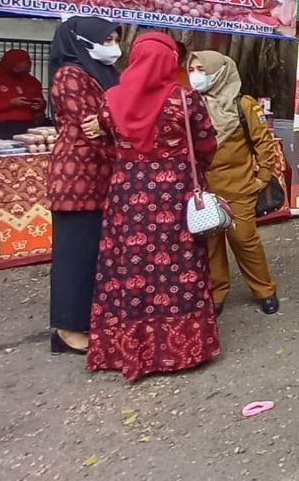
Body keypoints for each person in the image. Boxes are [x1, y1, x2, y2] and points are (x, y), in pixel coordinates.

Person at [86, 33, 220, 381]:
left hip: (126, 196)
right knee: (179, 266)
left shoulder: (111, 99)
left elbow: (105, 145)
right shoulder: (183, 99)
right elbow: (206, 143)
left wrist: (131, 166)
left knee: (128, 268)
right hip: (174, 194)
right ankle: (181, 348)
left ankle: (127, 348)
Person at [46, 17, 122, 356]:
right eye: (106, 38)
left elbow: (108, 120)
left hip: (101, 172)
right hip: (76, 177)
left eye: (115, 37)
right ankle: (66, 329)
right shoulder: (71, 75)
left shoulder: (103, 73)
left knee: (94, 252)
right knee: (74, 253)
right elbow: (90, 123)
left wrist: (111, 121)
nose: (112, 44)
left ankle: (88, 319)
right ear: (82, 40)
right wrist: (114, 120)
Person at [187, 50, 280, 316]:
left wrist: (263, 177)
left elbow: (264, 143)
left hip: (239, 188)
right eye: (192, 69)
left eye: (202, 70)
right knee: (211, 243)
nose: (196, 76)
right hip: (203, 189)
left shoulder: (243, 105)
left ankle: (265, 290)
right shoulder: (189, 105)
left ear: (221, 72)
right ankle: (216, 293)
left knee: (244, 240)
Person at [0, 49, 46, 138]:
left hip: (30, 126)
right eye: (17, 70)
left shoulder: (33, 82)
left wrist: (41, 105)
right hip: (2, 127)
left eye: (26, 70)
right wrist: (10, 103)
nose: (22, 74)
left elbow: (40, 105)